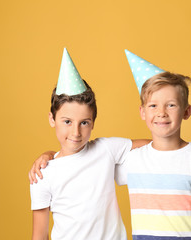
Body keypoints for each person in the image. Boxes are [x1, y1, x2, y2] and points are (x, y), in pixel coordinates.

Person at [30, 48, 149, 240]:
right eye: (67, 121)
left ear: (93, 122)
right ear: (52, 119)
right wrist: (48, 154)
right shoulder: (43, 174)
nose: (76, 132)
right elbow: (39, 234)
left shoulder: (106, 149)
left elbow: (156, 145)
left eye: (84, 123)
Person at [115, 50, 191, 239]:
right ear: (142, 112)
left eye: (171, 105)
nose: (161, 112)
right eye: (153, 105)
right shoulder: (132, 160)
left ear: (186, 111)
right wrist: (50, 155)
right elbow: (89, 157)